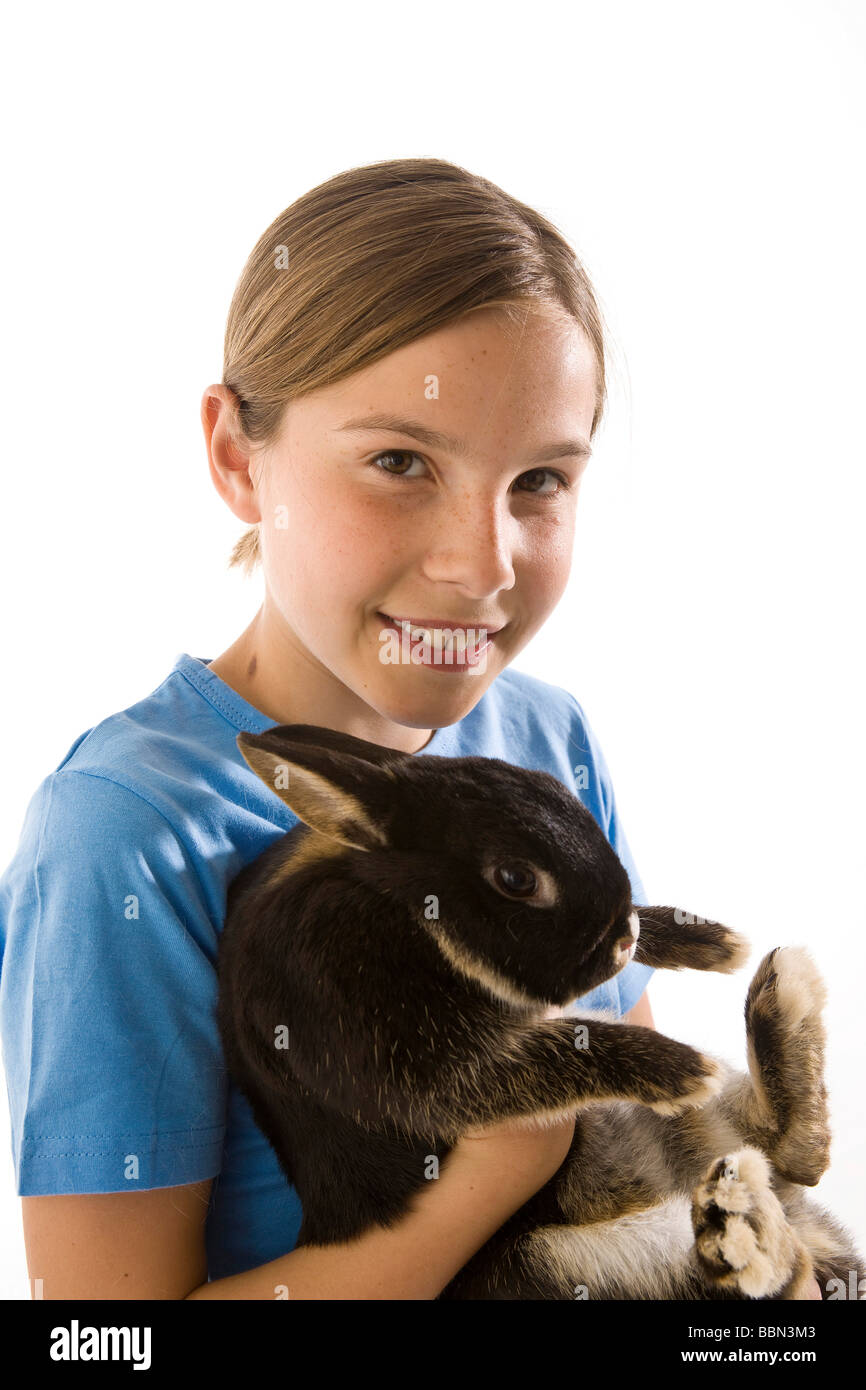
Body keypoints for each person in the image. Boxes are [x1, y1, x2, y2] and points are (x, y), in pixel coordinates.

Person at [0, 156, 820, 1300]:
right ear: (241, 456)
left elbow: (642, 1151)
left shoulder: (547, 733)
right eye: (398, 461)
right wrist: (481, 1179)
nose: (479, 566)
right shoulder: (122, 835)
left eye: (538, 480)